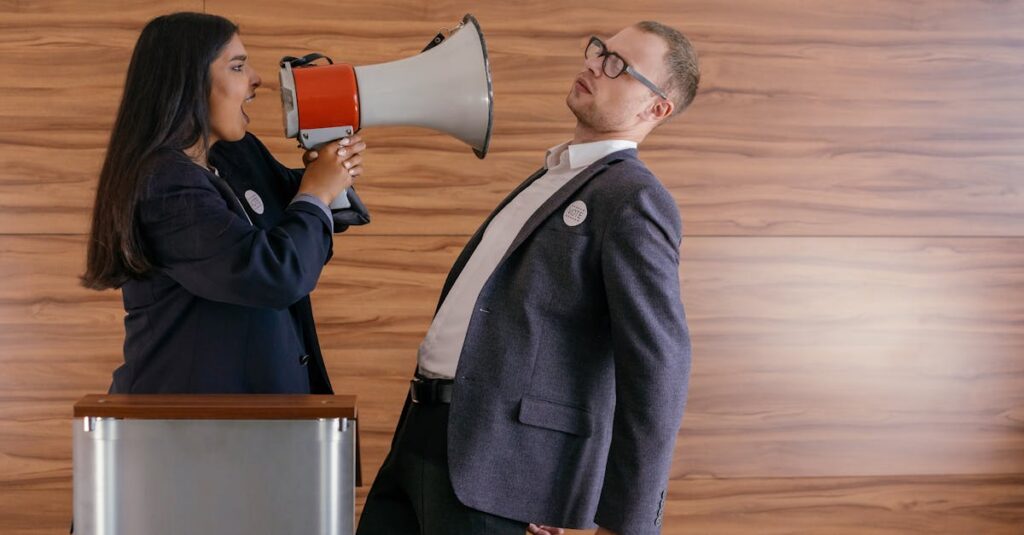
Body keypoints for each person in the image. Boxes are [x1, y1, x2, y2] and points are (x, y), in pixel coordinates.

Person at [356, 21, 698, 535]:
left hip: (512, 479)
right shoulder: (551, 177)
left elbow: (658, 368)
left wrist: (623, 526)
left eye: (618, 67)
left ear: (656, 108)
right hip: (422, 438)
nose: (594, 64)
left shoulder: (634, 199)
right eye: (600, 50)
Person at [81, 12, 367, 394]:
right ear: (187, 83)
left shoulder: (237, 154)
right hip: (186, 427)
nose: (256, 80)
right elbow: (278, 272)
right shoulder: (164, 187)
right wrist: (318, 191)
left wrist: (329, 170)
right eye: (237, 67)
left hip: (249, 423)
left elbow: (298, 223)